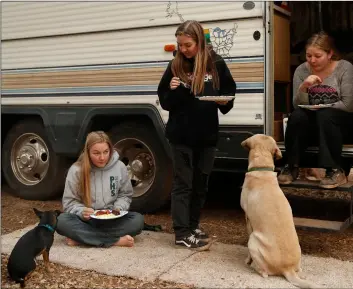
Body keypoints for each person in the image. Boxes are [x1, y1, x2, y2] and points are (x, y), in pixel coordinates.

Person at [157, 20, 236, 250]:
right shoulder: (175, 66)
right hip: (180, 136)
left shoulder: (216, 64)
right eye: (180, 45)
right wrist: (173, 90)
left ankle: (192, 225)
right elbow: (166, 102)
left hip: (207, 135)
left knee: (201, 184)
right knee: (184, 184)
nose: (183, 49)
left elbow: (229, 92)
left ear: (199, 42)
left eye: (188, 45)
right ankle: (181, 232)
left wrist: (224, 100)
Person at [278, 31, 353, 189]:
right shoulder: (301, 70)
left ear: (330, 53)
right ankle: (291, 167)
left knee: (325, 115)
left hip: (340, 124)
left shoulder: (345, 68)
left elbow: (348, 105)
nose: (312, 60)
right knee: (297, 115)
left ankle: (334, 170)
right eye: (308, 56)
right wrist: (304, 88)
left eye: (317, 56)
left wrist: (320, 108)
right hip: (314, 124)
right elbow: (297, 105)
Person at [56, 131, 144, 247]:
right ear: (88, 152)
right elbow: (69, 202)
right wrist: (81, 211)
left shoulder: (120, 167)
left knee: (137, 220)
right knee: (61, 221)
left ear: (110, 150)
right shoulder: (76, 170)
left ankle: (83, 238)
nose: (102, 157)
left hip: (112, 219)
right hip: (86, 220)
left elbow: (125, 195)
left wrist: (118, 208)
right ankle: (115, 241)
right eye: (96, 153)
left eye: (106, 152)